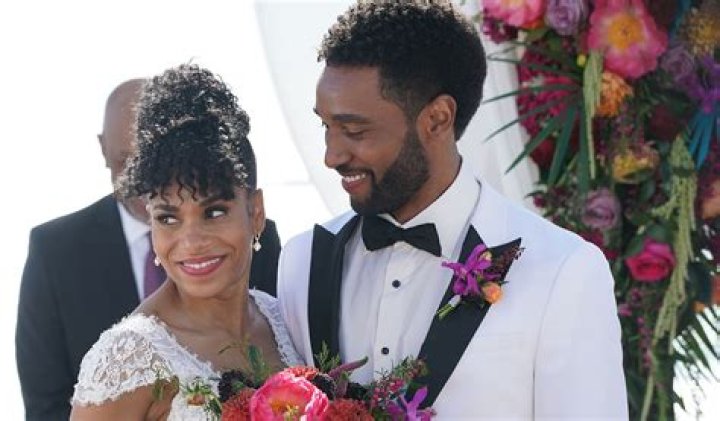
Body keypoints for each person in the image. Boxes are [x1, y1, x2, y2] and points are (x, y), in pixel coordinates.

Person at [277, 1, 628, 419]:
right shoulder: (301, 262)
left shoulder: (563, 271)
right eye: (326, 126)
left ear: (438, 119)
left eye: (355, 130)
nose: (331, 155)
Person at [16, 77, 282, 420]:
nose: (192, 242)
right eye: (168, 218)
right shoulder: (125, 363)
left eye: (214, 212)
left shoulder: (283, 321)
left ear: (256, 213)